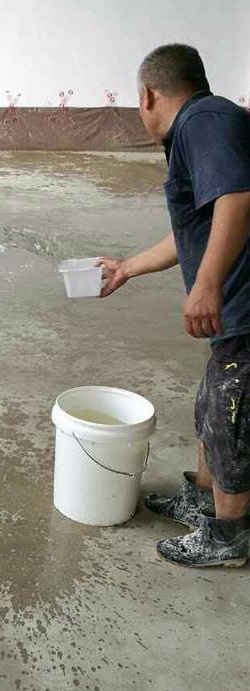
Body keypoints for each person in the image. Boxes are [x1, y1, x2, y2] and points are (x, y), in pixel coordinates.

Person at [99, 44, 250, 567]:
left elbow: (238, 199)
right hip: (234, 308)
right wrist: (127, 268)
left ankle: (229, 535)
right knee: (211, 405)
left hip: (244, 305)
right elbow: (191, 231)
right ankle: (204, 502)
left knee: (232, 414)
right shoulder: (204, 124)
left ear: (147, 95)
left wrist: (206, 284)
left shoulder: (203, 121)